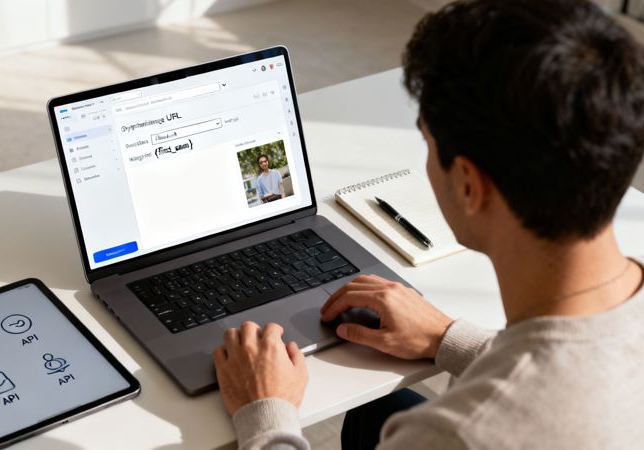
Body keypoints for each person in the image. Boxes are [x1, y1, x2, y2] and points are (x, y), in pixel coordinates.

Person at [212, 0, 644, 449]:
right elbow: (576, 375)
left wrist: (266, 415)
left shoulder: (460, 433)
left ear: (469, 185)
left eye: (427, 141)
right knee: (376, 414)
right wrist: (449, 338)